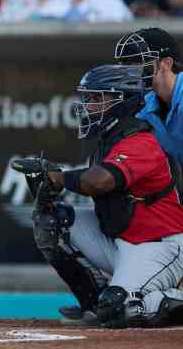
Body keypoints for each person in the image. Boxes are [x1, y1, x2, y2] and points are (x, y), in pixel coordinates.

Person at [12, 65, 183, 328]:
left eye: (96, 98)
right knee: (53, 220)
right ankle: (93, 303)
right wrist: (46, 191)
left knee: (120, 310)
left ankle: (167, 298)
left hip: (160, 246)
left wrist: (58, 177)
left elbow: (99, 181)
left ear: (121, 101)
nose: (88, 105)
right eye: (88, 98)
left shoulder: (142, 141)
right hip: (121, 241)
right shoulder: (109, 140)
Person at [114, 28, 183, 166]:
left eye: (138, 61)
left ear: (166, 63)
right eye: (126, 63)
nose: (128, 70)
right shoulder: (143, 107)